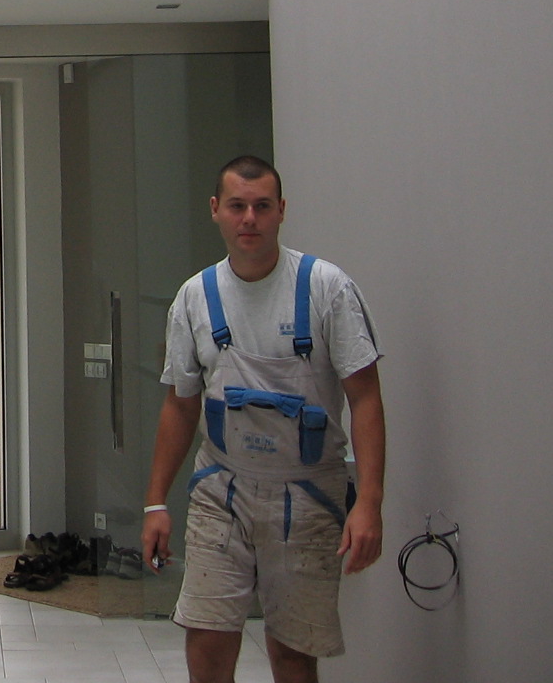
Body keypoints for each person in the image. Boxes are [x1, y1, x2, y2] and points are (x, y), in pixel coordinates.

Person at [142, 156, 385, 683]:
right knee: (206, 641)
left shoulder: (326, 289)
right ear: (216, 210)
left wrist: (369, 502)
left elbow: (365, 397)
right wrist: (156, 502)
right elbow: (180, 404)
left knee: (294, 654)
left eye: (261, 206)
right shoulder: (195, 298)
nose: (249, 218)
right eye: (237, 206)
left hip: (309, 493)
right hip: (221, 490)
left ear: (281, 211)